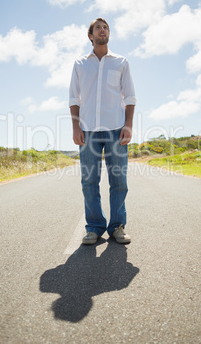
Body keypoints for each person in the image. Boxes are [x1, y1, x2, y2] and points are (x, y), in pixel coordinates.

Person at [69, 18, 136, 245]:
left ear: (109, 34)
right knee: (89, 181)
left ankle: (117, 226)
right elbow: (73, 98)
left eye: (105, 27)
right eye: (98, 27)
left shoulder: (121, 62)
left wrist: (128, 125)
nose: (102, 29)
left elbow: (130, 97)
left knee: (118, 180)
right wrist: (75, 126)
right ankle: (94, 227)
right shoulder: (80, 64)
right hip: (87, 131)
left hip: (116, 129)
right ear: (91, 35)